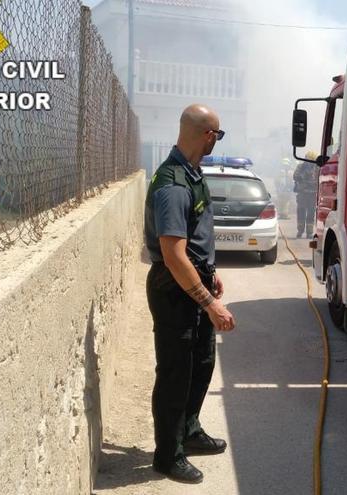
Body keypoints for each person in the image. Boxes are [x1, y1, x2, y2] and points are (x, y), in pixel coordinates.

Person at [143, 104, 237, 484]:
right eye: (218, 133)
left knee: (201, 364)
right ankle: (168, 454)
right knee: (175, 376)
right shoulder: (173, 184)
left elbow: (194, 240)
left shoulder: (192, 174)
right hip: (174, 291)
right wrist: (210, 301)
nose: (217, 139)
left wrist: (208, 274)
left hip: (192, 283)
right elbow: (173, 254)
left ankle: (190, 431)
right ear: (208, 134)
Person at [293, 151, 319, 238]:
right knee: (301, 213)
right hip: (302, 194)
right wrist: (302, 176)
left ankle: (309, 232)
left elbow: (320, 179)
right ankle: (300, 231)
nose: (308, 162)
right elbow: (295, 176)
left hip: (312, 194)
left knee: (311, 214)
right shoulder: (301, 167)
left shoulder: (317, 168)